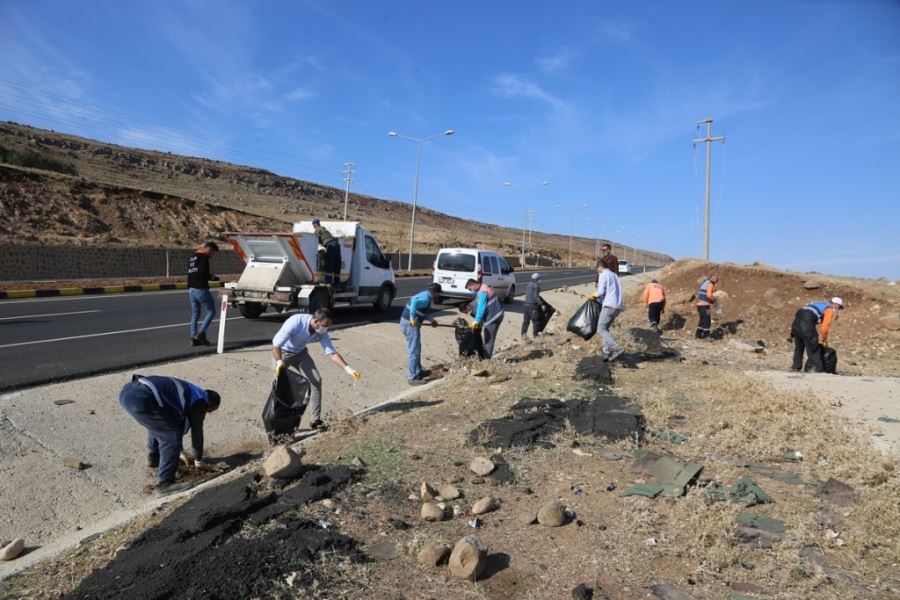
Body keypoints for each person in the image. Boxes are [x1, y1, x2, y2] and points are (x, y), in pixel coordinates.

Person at [118, 374, 221, 496]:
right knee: (170, 436)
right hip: (142, 397)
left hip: (128, 392)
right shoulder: (200, 401)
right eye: (209, 411)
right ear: (209, 405)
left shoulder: (191, 391)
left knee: (160, 426)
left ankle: (154, 459)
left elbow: (175, 423)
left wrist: (181, 451)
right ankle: (165, 485)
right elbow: (197, 432)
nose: (206, 414)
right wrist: (198, 460)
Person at [272, 308, 360, 430]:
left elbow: (331, 352)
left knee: (316, 381)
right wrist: (279, 361)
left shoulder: (321, 330)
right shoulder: (295, 322)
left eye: (328, 326)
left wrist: (348, 368)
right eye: (324, 325)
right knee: (280, 388)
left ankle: (315, 421)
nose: (325, 329)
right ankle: (276, 423)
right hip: (283, 353)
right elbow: (276, 345)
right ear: (315, 320)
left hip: (301, 353)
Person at [400, 283, 442, 385]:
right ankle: (412, 377)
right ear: (435, 293)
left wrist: (431, 320)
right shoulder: (426, 299)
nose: (439, 296)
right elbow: (414, 303)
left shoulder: (425, 295)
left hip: (409, 323)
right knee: (413, 351)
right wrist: (411, 319)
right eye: (438, 294)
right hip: (410, 324)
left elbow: (422, 311)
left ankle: (418, 372)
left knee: (417, 348)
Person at [791, 297, 844, 372]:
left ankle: (796, 367)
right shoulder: (829, 309)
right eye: (839, 308)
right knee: (813, 346)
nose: (838, 310)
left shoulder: (819, 304)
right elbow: (824, 328)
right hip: (806, 322)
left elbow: (810, 315)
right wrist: (824, 340)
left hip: (796, 322)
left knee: (799, 346)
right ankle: (815, 368)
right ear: (836, 305)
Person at [591, 256, 625, 361]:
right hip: (618, 306)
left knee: (600, 329)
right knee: (605, 329)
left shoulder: (603, 274)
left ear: (600, 267)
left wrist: (593, 295)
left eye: (597, 269)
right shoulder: (614, 275)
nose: (598, 271)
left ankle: (617, 348)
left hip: (609, 305)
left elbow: (600, 292)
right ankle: (605, 352)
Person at [187, 241, 219, 346]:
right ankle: (201, 333)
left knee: (195, 314)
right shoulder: (204, 258)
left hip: (191, 289)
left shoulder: (192, 257)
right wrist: (213, 277)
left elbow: (192, 272)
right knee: (211, 311)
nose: (211, 255)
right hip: (201, 288)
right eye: (212, 253)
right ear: (209, 249)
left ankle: (193, 338)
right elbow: (203, 273)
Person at [465, 278, 505, 359]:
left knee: (489, 339)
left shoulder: (482, 292)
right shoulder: (484, 287)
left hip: (493, 317)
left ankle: (486, 359)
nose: (471, 291)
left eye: (470, 289)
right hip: (497, 314)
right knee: (489, 338)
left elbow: (481, 308)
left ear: (473, 285)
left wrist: (476, 321)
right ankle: (486, 356)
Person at [312, 218, 342, 285]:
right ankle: (337, 283)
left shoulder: (317, 229)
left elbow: (313, 239)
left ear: (314, 225)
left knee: (329, 264)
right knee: (337, 265)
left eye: (313, 225)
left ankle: (328, 282)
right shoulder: (324, 229)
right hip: (337, 245)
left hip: (330, 246)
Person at [521, 272, 545, 339]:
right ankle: (535, 335)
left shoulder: (528, 285)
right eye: (539, 278)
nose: (540, 280)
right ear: (537, 279)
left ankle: (523, 334)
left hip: (526, 304)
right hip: (532, 305)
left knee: (526, 321)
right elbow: (535, 296)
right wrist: (541, 304)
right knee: (536, 321)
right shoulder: (536, 286)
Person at [695, 274, 719, 339]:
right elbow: (708, 295)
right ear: (715, 280)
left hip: (699, 305)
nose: (716, 282)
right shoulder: (710, 284)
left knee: (702, 320)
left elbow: (703, 294)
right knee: (707, 320)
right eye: (716, 280)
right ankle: (705, 336)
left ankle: (698, 335)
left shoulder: (705, 283)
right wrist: (714, 299)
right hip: (704, 305)